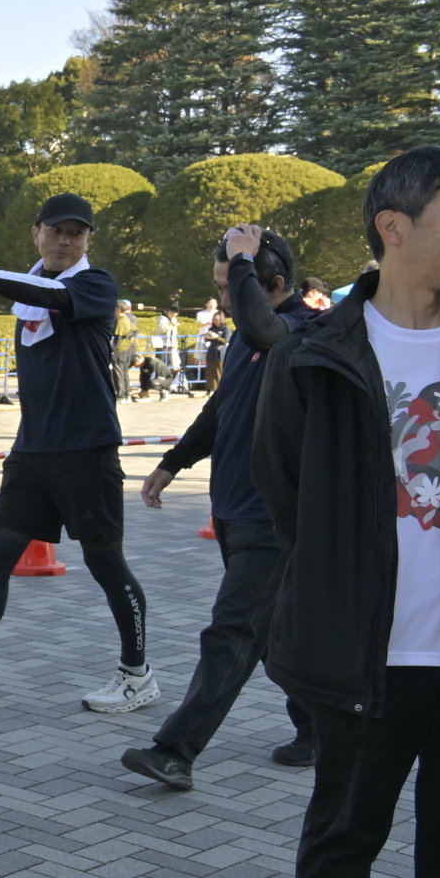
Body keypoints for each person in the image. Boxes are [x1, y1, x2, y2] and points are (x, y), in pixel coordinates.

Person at [255, 146, 440, 878]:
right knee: (346, 830)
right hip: (369, 648)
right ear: (393, 228)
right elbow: (284, 488)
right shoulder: (316, 352)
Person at [0, 195, 157, 714]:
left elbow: (54, 296)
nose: (65, 241)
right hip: (32, 452)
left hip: (87, 450)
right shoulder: (27, 294)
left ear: (88, 241)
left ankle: (138, 675)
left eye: (77, 233)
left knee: (106, 564)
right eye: (56, 230)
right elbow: (34, 290)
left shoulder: (94, 285)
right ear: (36, 233)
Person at [123, 226, 321, 793]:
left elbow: (267, 331)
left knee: (232, 633)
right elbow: (221, 408)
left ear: (272, 284)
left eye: (230, 286)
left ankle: (175, 750)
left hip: (273, 516)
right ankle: (319, 729)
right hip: (232, 509)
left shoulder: (307, 332)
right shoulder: (244, 338)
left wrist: (243, 265)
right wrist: (173, 462)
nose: (223, 299)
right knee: (273, 634)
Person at [112, 300, 139, 400]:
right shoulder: (128, 319)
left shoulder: (121, 321)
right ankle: (127, 393)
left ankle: (121, 395)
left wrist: (113, 349)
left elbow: (118, 338)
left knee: (118, 372)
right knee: (125, 372)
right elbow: (135, 330)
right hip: (129, 348)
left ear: (119, 310)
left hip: (121, 349)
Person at [200, 308, 229, 392]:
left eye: (218, 319)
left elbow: (226, 341)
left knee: (218, 372)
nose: (216, 321)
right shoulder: (212, 329)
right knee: (209, 372)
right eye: (215, 319)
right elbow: (206, 339)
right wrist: (207, 337)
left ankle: (219, 390)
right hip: (211, 352)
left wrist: (217, 337)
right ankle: (209, 389)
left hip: (220, 353)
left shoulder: (225, 329)